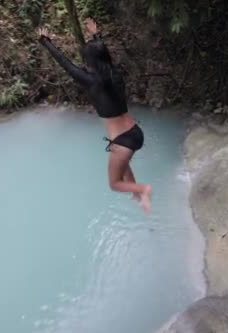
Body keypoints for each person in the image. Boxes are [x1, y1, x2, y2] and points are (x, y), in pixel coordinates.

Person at [38, 19, 152, 213]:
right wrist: (96, 35)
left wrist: (45, 41)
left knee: (114, 183)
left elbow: (66, 64)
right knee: (122, 164)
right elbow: (103, 55)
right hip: (135, 132)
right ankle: (137, 195)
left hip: (123, 141)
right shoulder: (115, 73)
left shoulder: (91, 81)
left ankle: (142, 189)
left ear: (89, 62)